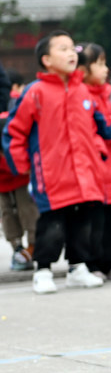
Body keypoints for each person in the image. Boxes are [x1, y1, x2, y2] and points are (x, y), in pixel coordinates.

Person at [3, 31, 111, 294]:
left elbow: (102, 126)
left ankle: (78, 268)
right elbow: (14, 132)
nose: (71, 53)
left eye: (72, 48)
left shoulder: (83, 91)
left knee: (83, 222)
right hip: (51, 174)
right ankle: (43, 269)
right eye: (62, 49)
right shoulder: (35, 92)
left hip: (85, 173)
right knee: (52, 224)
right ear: (46, 59)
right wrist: (22, 165)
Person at [78, 42, 111, 281]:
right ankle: (92, 263)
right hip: (96, 168)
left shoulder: (105, 96)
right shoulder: (84, 97)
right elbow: (104, 129)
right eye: (99, 64)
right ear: (83, 70)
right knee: (93, 218)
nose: (105, 69)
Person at [0, 108, 37, 271]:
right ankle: (17, 247)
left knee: (28, 210)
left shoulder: (16, 127)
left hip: (22, 176)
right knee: (7, 212)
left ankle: (32, 246)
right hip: (2, 181)